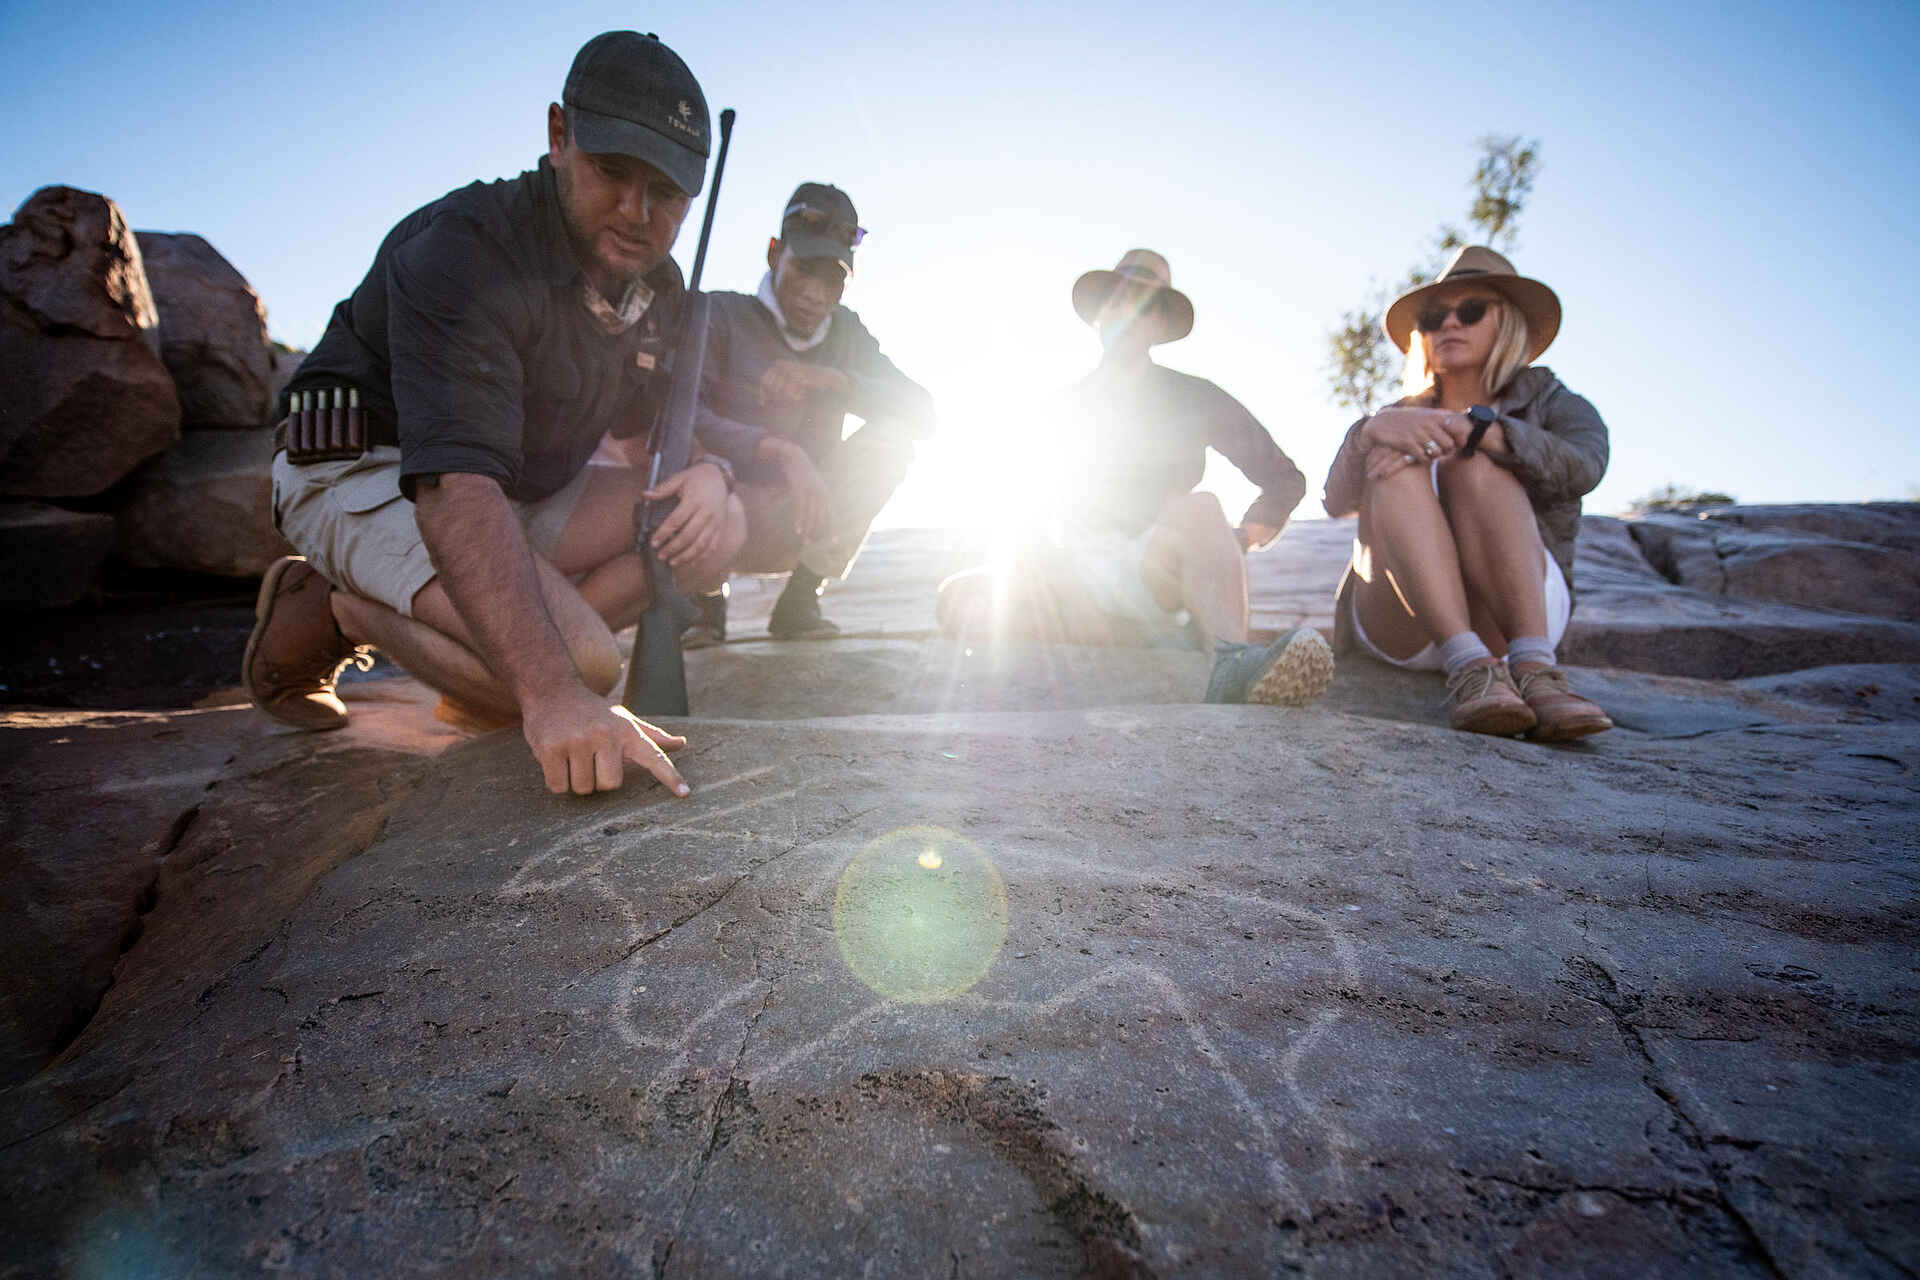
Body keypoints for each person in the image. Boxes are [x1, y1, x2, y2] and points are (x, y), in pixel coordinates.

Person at [243, 31, 747, 797]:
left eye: (670, 193)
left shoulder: (656, 283)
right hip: (373, 467)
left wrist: (712, 474)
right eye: (613, 172)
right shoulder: (465, 247)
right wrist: (552, 696)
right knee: (583, 665)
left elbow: (654, 436)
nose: (639, 212)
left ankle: (483, 666)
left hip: (508, 488)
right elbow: (454, 486)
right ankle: (339, 609)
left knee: (712, 531)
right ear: (558, 137)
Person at [937, 249, 1333, 707]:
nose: (1126, 313)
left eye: (1143, 304)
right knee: (960, 597)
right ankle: (1137, 637)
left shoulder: (1196, 396)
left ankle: (1230, 663)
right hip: (1073, 579)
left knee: (1201, 506)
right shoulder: (1057, 409)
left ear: (1159, 324)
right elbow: (1020, 510)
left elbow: (1284, 480)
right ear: (1098, 316)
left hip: (1154, 569)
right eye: (1116, 301)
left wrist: (1238, 541)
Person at [1321, 245, 1612, 740]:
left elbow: (1586, 465)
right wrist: (1371, 430)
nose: (1450, 325)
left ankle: (1537, 673)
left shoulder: (1556, 401)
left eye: (1471, 311)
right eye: (1434, 318)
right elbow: (1335, 501)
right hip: (1402, 622)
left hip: (1513, 617)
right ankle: (1471, 668)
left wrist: (1479, 433)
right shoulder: (1396, 413)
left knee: (1475, 466)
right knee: (1390, 471)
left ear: (1510, 323)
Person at [675, 182, 932, 644]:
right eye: (804, 270)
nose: (816, 294)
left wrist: (835, 381)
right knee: (675, 461)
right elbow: (677, 415)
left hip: (807, 516)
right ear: (774, 254)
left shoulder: (847, 332)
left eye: (833, 279)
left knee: (895, 440)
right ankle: (706, 602)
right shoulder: (718, 313)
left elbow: (924, 411)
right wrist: (781, 452)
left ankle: (800, 599)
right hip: (727, 508)